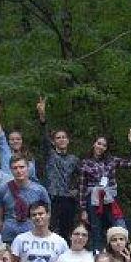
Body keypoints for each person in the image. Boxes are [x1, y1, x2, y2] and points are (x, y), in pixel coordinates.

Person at [77, 128, 131, 252]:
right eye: (99, 143)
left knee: (119, 226)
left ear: (106, 148)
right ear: (94, 144)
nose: (100, 147)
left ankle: (122, 255)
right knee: (96, 230)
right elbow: (82, 188)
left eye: (104, 145)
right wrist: (83, 209)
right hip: (93, 200)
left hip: (110, 198)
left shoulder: (111, 160)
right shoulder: (85, 163)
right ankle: (98, 257)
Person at [35, 96, 82, 235]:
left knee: (67, 230)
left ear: (68, 140)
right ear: (54, 141)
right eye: (58, 138)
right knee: (50, 228)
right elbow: (44, 137)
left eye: (64, 137)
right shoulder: (50, 154)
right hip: (52, 196)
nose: (61, 140)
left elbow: (82, 177)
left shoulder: (74, 159)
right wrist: (42, 117)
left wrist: (76, 190)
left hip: (68, 199)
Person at [0, 155, 51, 246]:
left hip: (33, 237)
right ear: (11, 170)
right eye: (15, 168)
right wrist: (3, 229)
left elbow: (47, 214)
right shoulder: (3, 190)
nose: (19, 171)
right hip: (10, 237)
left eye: (21, 167)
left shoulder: (40, 190)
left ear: (28, 168)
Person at [0, 92, 37, 181]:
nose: (15, 141)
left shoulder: (29, 158)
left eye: (18, 139)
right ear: (8, 142)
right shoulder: (5, 152)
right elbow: (0, 134)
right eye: (12, 139)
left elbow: (33, 179)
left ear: (22, 141)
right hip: (8, 190)